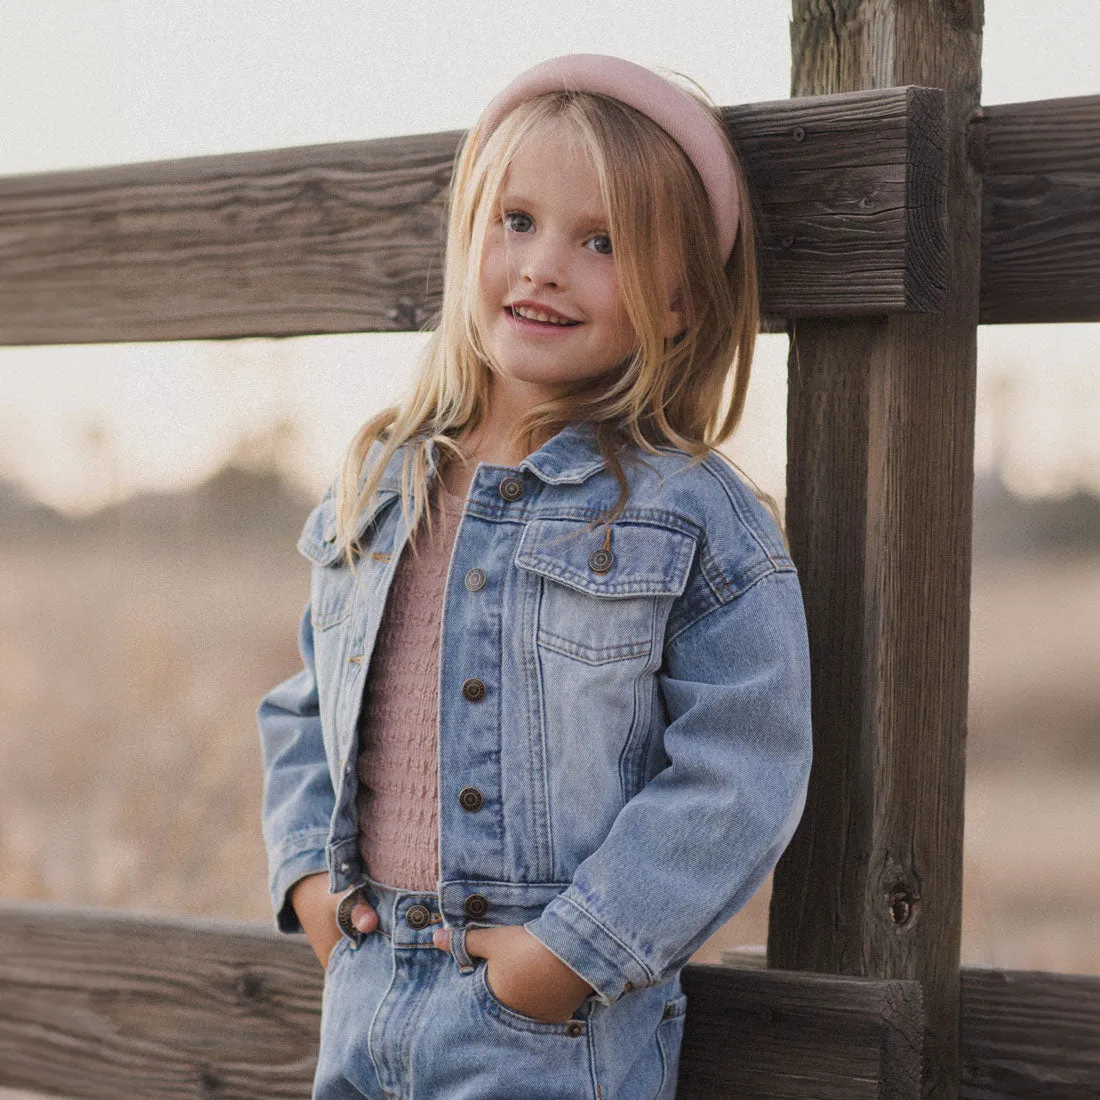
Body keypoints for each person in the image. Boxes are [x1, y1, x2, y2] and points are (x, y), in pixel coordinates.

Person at [258, 52, 813, 1100]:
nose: (543, 265)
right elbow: (303, 707)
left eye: (600, 241)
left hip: (545, 1024)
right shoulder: (378, 486)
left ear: (683, 299)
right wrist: (310, 889)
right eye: (515, 220)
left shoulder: (685, 512)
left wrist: (559, 961)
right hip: (368, 989)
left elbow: (742, 768)